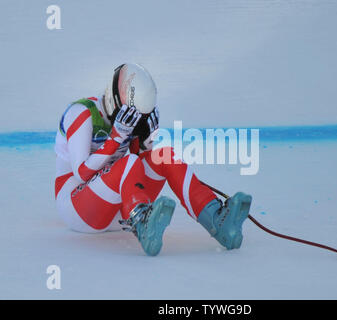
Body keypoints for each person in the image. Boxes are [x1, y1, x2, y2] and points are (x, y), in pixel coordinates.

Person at [54, 63, 252, 256]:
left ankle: (216, 219)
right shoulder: (81, 113)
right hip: (78, 210)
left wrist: (145, 144)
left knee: (164, 155)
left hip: (118, 210)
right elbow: (81, 173)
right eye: (131, 116)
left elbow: (133, 171)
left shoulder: (125, 123)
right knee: (128, 164)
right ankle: (142, 224)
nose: (133, 122)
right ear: (116, 101)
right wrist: (116, 138)